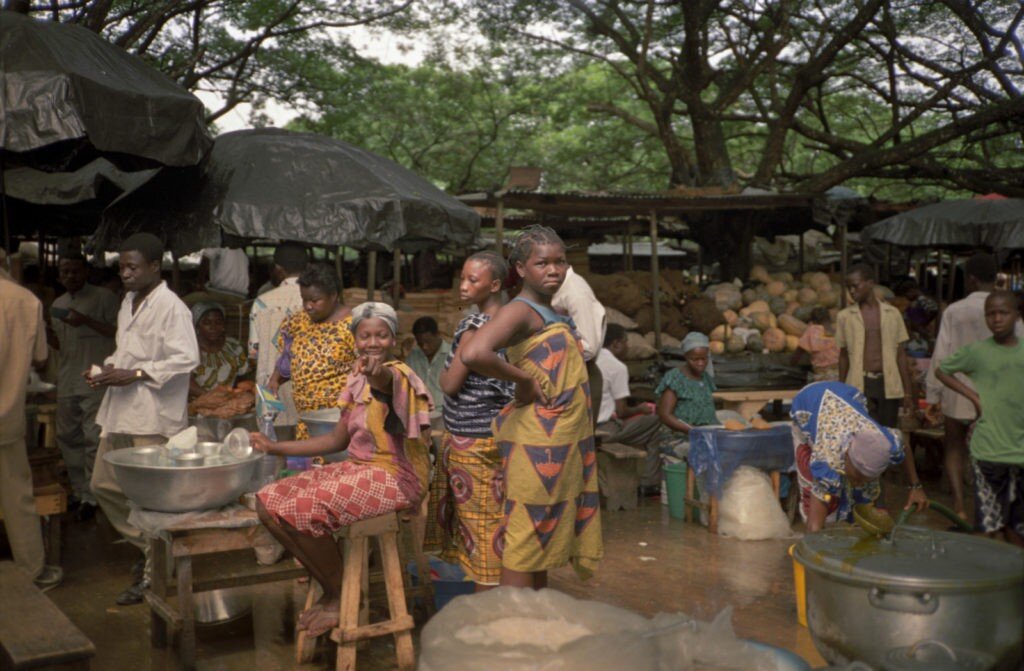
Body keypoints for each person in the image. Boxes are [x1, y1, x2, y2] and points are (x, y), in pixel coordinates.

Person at [253, 302, 432, 636]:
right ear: (355, 339)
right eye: (365, 336)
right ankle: (334, 586)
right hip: (360, 467)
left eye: (382, 335)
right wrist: (275, 447)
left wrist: (374, 371)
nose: (373, 342)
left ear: (393, 340)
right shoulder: (355, 378)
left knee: (304, 507)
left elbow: (384, 380)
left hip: (397, 476)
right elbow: (336, 439)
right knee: (266, 502)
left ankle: (342, 597)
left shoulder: (398, 375)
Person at [462, 226, 602, 589]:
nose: (554, 270)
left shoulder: (550, 310)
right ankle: (514, 629)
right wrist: (523, 381)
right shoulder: (520, 310)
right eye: (543, 263)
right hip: (536, 441)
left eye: (560, 262)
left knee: (542, 536)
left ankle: (530, 624)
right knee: (526, 536)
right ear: (521, 269)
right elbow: (474, 352)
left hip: (558, 442)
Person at [89, 233, 200, 605]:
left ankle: (154, 575)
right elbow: (126, 351)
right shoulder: (128, 302)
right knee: (103, 484)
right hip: (121, 411)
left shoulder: (172, 307)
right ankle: (155, 547)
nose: (125, 273)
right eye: (121, 267)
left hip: (153, 417)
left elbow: (186, 358)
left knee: (151, 499)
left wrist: (135, 374)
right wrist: (107, 370)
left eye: (133, 267)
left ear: (155, 266)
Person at [434, 251, 514, 591]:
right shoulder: (512, 323)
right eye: (462, 278)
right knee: (497, 525)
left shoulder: (474, 329)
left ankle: (487, 614)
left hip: (471, 440)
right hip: (498, 436)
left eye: (473, 280)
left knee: (481, 531)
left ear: (494, 285)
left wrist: (441, 374)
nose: (463, 287)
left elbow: (450, 383)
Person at [925, 253, 1023, 520]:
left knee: (954, 447)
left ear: (971, 279)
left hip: (957, 393)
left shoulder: (954, 311)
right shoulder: (1009, 311)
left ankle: (959, 506)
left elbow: (940, 356)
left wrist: (932, 395)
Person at [0, 251, 63, 591]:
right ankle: (30, 570)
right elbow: (40, 358)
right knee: (17, 496)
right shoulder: (26, 300)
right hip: (6, 418)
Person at [791, 381, 927, 532]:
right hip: (809, 403)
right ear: (847, 457)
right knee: (819, 499)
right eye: (857, 476)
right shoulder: (827, 459)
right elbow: (814, 527)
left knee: (861, 494)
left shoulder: (886, 441)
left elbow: (905, 444)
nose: (859, 482)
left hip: (847, 397)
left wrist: (916, 486)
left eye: (864, 479)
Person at [50, 254, 119, 519]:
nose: (70, 277)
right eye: (65, 272)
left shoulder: (104, 298)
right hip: (67, 380)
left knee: (93, 439)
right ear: (59, 275)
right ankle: (79, 491)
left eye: (75, 271)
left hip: (95, 380)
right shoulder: (57, 304)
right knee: (67, 437)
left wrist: (86, 321)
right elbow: (61, 343)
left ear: (86, 272)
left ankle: (93, 496)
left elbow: (118, 333)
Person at [268, 264, 355, 439]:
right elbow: (287, 357)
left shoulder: (355, 326)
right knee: (309, 465)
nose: (308, 306)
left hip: (341, 426)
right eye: (304, 299)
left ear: (333, 296)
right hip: (307, 423)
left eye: (315, 300)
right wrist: (276, 379)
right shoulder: (297, 321)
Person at [836, 264, 915, 429]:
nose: (851, 291)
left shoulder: (892, 314)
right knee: (863, 433)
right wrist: (841, 389)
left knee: (888, 433)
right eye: (848, 287)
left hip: (888, 382)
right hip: (859, 382)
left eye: (855, 286)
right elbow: (843, 356)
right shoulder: (845, 317)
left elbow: (900, 354)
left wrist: (907, 392)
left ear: (870, 283)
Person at [249, 242, 308, 438]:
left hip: (270, 387)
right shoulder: (315, 300)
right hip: (307, 386)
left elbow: (254, 352)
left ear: (278, 269)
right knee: (307, 444)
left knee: (275, 445)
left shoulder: (262, 302)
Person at [596, 324, 661, 494]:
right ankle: (649, 483)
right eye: (625, 342)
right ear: (616, 344)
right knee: (655, 423)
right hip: (605, 431)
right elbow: (623, 411)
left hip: (585, 427)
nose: (628, 347)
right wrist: (640, 408)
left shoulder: (590, 360)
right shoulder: (617, 367)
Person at [552, 261, 607, 429]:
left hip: (579, 377)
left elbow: (588, 348)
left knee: (575, 445)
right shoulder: (555, 289)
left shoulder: (575, 293)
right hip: (565, 376)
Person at [654, 332, 719, 458]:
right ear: (686, 357)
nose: (700, 363)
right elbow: (665, 415)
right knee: (706, 453)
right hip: (678, 436)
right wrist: (692, 430)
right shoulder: (676, 378)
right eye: (695, 359)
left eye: (704, 358)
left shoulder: (705, 377)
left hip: (703, 434)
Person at [189, 302, 250, 396]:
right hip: (196, 402)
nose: (213, 327)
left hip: (227, 402)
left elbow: (242, 379)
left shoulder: (235, 348)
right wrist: (209, 398)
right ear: (197, 326)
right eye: (207, 323)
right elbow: (186, 382)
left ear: (223, 326)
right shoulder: (189, 349)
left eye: (218, 322)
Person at [406, 316, 451, 411]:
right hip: (419, 411)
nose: (424, 347)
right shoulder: (413, 355)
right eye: (420, 343)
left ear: (438, 335)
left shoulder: (452, 355)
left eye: (428, 342)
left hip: (445, 411)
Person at [183, 246, 250, 306]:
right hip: (240, 298)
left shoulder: (218, 246)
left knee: (184, 302)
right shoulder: (242, 253)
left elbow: (205, 259)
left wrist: (199, 283)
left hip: (220, 294)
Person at [790, 307, 839, 382]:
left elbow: (799, 352)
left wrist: (791, 364)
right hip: (838, 374)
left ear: (813, 321)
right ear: (829, 319)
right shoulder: (837, 331)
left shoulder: (813, 330)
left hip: (821, 375)